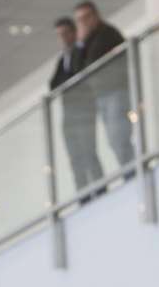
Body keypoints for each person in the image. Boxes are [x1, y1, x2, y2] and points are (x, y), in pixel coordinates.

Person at [73, 0, 134, 168]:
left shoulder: (107, 33)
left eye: (86, 17)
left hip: (116, 92)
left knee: (118, 138)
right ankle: (129, 171)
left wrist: (83, 41)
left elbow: (92, 63)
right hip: (102, 95)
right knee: (113, 140)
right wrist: (79, 43)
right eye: (79, 20)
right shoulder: (85, 41)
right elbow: (77, 70)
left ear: (95, 16)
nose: (83, 23)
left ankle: (132, 172)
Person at [49, 17, 104, 194]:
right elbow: (53, 86)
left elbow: (78, 76)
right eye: (59, 35)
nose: (63, 38)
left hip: (84, 111)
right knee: (75, 158)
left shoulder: (81, 52)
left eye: (66, 33)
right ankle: (83, 194)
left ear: (73, 33)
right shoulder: (62, 59)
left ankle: (99, 189)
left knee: (88, 152)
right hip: (69, 114)